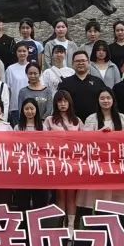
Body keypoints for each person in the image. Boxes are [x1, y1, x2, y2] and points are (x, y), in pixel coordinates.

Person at [81, 89, 124, 213]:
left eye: (108, 98)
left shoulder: (122, 117)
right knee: (97, 195)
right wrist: (99, 134)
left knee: (117, 195)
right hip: (97, 163)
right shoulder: (91, 118)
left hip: (117, 162)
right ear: (98, 100)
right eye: (102, 98)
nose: (105, 101)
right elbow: (84, 139)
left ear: (113, 100)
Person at [43, 90, 83, 227]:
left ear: (70, 103)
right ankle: (60, 225)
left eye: (65, 101)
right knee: (60, 194)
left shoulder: (77, 121)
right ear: (55, 103)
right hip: (57, 162)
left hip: (73, 162)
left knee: (71, 194)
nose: (63, 104)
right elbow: (43, 140)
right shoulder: (49, 120)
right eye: (60, 101)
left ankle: (70, 225)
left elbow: (85, 141)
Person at [14, 98, 48, 211]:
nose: (29, 111)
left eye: (32, 109)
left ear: (36, 110)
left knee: (40, 199)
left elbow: (46, 147)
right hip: (23, 168)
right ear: (22, 110)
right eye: (26, 109)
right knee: (23, 199)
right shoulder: (18, 127)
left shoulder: (43, 127)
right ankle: (24, 221)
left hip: (39, 168)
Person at [59, 50, 105, 122]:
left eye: (83, 60)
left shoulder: (98, 82)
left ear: (88, 62)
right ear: (72, 64)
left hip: (95, 122)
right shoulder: (65, 83)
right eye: (77, 61)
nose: (80, 63)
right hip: (71, 122)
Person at [4, 43, 32, 124]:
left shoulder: (33, 67)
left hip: (31, 106)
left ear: (28, 52)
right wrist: (8, 106)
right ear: (16, 53)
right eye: (19, 51)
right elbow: (8, 89)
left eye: (24, 51)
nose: (22, 53)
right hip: (15, 106)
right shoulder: (10, 69)